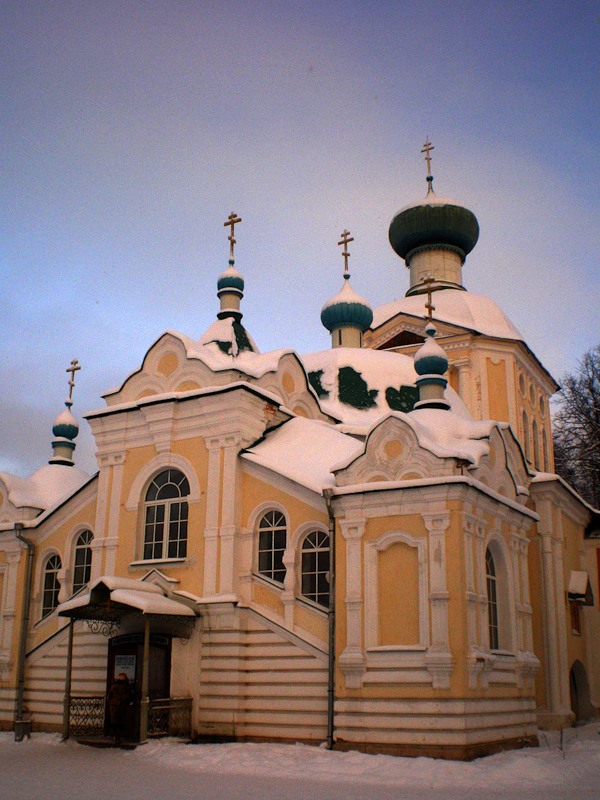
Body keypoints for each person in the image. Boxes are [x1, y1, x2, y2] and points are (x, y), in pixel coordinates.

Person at [107, 672, 132, 745]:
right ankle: (118, 736)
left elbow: (109, 696)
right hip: (121, 707)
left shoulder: (113, 686)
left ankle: (115, 735)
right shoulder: (126, 687)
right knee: (120, 722)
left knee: (114, 722)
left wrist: (111, 703)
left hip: (113, 707)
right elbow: (129, 696)